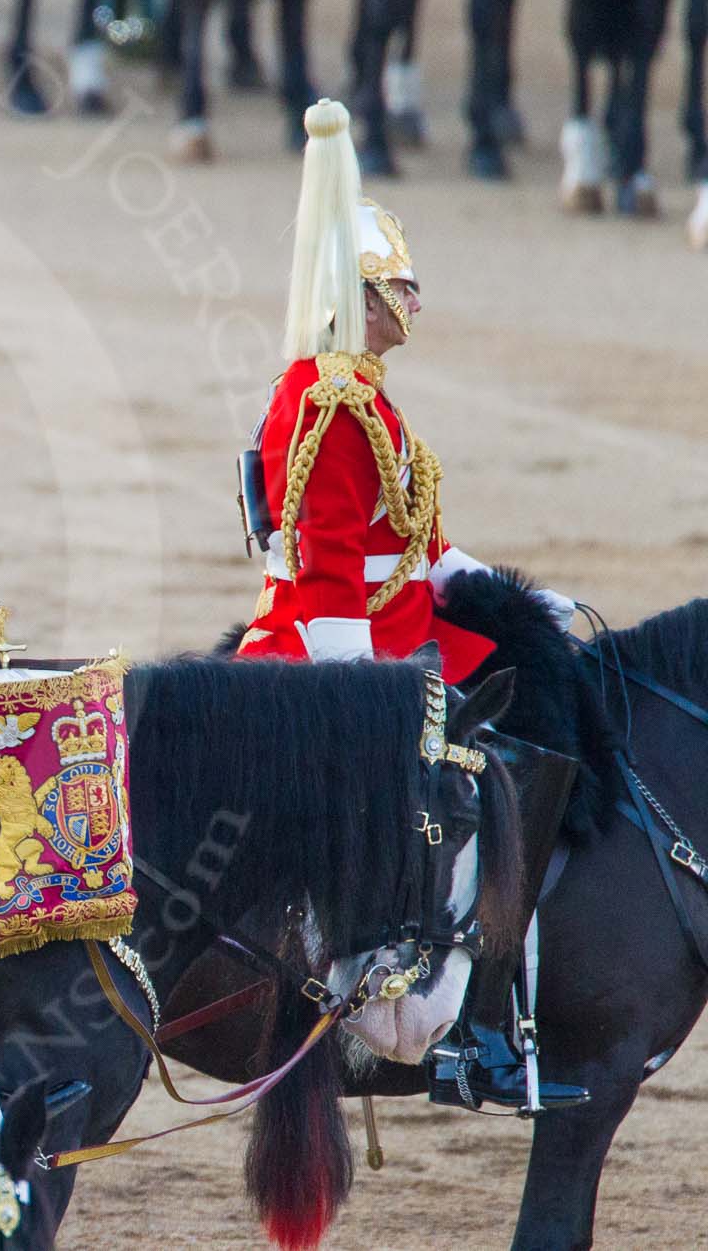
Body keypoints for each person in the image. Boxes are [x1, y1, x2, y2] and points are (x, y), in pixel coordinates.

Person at [237, 99, 586, 1116]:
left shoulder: (362, 392)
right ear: (355, 296)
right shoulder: (325, 401)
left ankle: (492, 1006)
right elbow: (330, 564)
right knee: (455, 793)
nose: (408, 308)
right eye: (394, 290)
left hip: (398, 629)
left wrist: (520, 594)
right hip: (333, 646)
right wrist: (365, 699)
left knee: (530, 712)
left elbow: (415, 549)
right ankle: (416, 1000)